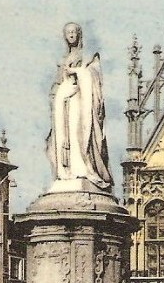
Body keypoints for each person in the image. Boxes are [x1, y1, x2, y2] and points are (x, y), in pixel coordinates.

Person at [47, 22, 114, 191]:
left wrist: (77, 72)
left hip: (80, 100)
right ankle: (65, 171)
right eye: (67, 32)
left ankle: (82, 168)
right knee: (63, 136)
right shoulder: (62, 60)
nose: (71, 35)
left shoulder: (88, 56)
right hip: (63, 104)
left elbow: (95, 76)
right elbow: (57, 82)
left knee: (80, 133)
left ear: (79, 34)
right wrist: (54, 97)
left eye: (73, 32)